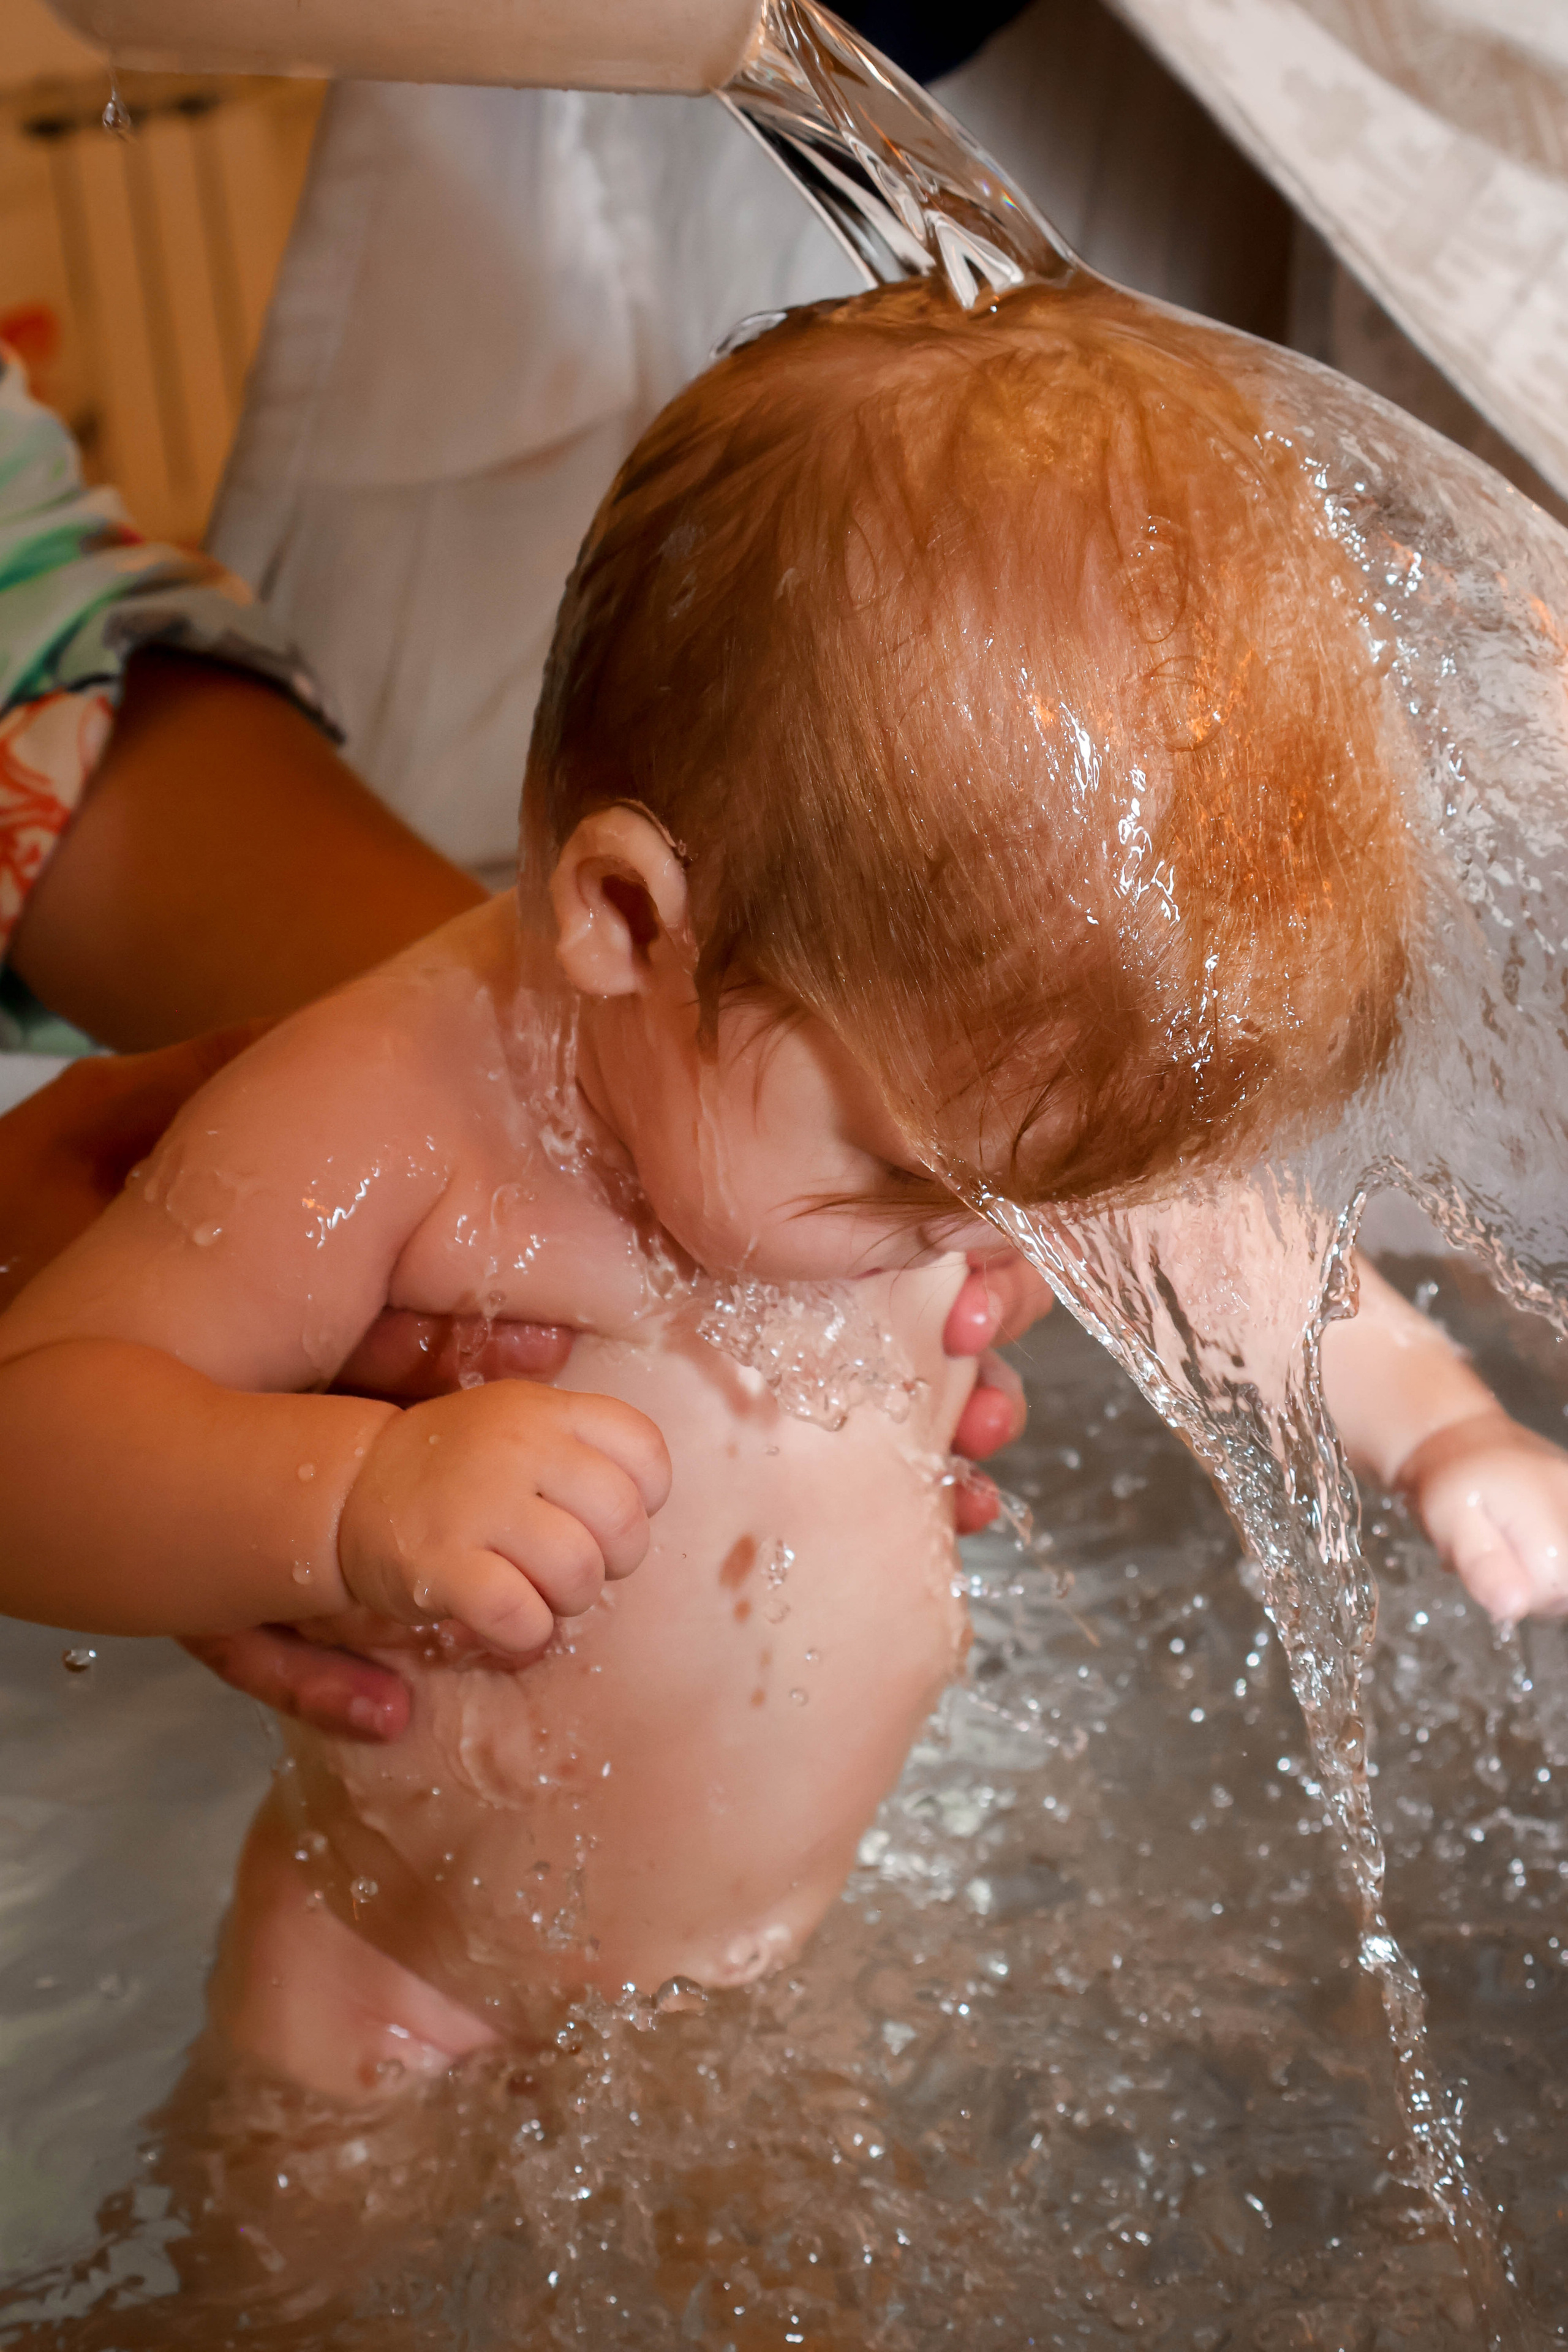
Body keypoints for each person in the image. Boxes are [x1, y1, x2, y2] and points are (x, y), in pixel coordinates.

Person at [1, 278, 1562, 2099]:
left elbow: (1224, 1242)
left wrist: (1448, 1431)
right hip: (394, 1988)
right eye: (911, 1175)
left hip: (771, 1973)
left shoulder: (929, 1062)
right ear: (627, 917)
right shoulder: (388, 1112)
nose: (988, 1235)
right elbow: (37, 1436)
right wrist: (345, 1499)